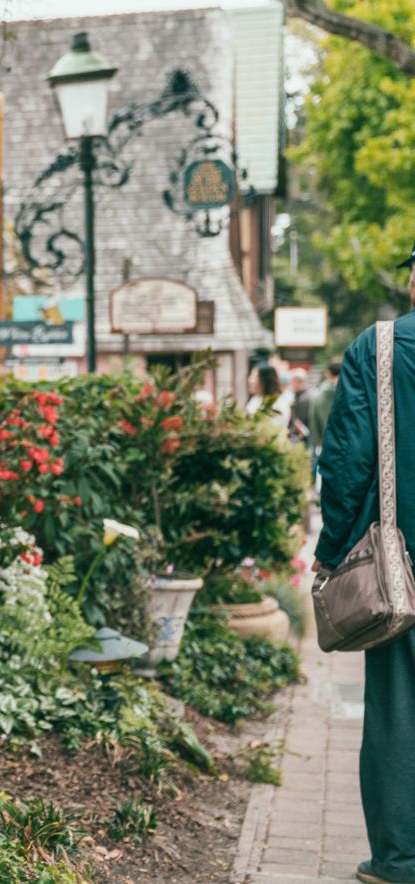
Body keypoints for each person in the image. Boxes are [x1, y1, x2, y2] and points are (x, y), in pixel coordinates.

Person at [314, 240, 415, 884]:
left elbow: (347, 464)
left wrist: (331, 553)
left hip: (402, 563)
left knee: (398, 708)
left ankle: (400, 860)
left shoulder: (378, 350)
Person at [247, 363, 290, 441]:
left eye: (254, 377)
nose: (250, 380)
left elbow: (272, 432)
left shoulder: (277, 403)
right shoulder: (255, 399)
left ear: (266, 380)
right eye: (251, 376)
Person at [289, 369, 315, 444]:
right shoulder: (301, 395)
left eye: (293, 381)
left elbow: (300, 422)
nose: (292, 384)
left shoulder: (304, 399)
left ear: (300, 382)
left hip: (303, 437)